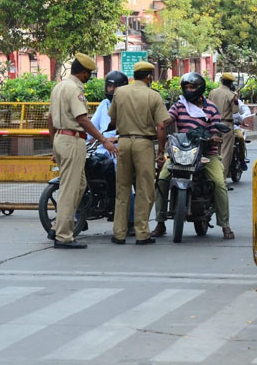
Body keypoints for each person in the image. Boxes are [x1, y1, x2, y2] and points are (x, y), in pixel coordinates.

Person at [152, 72, 235, 240]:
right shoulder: (179, 106)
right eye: (186, 87)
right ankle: (160, 223)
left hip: (206, 154)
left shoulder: (211, 108)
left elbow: (216, 131)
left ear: (200, 88)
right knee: (161, 180)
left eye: (192, 87)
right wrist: (160, 123)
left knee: (219, 183)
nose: (189, 90)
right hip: (181, 153)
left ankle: (225, 225)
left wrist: (214, 137)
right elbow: (167, 120)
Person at [47, 53, 117, 249]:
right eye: (89, 74)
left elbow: (50, 119)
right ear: (83, 72)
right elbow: (83, 119)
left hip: (61, 139)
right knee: (70, 189)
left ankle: (57, 226)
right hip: (72, 140)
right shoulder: (73, 89)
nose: (89, 77)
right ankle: (63, 236)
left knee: (79, 185)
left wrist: (54, 144)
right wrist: (104, 139)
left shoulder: (59, 87)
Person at [109, 61, 170, 245]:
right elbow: (161, 126)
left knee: (122, 188)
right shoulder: (153, 96)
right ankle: (142, 233)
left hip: (124, 142)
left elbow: (112, 120)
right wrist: (161, 151)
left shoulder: (120, 92)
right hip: (143, 144)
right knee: (144, 188)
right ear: (149, 77)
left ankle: (119, 233)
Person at [88, 71, 135, 232]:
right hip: (102, 148)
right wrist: (86, 138)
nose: (112, 90)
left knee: (125, 182)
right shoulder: (103, 104)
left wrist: (118, 137)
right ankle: (79, 215)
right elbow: (92, 127)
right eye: (110, 86)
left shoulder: (130, 104)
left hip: (121, 148)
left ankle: (130, 220)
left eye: (116, 87)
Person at [208, 72, 238, 180]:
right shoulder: (231, 95)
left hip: (213, 124)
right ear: (231, 84)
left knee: (215, 151)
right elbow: (235, 111)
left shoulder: (212, 92)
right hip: (226, 124)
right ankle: (222, 178)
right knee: (226, 152)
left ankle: (212, 176)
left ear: (221, 81)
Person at [233, 96, 253, 172]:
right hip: (222, 127)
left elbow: (240, 115)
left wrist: (242, 118)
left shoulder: (236, 102)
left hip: (234, 127)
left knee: (240, 138)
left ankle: (242, 159)